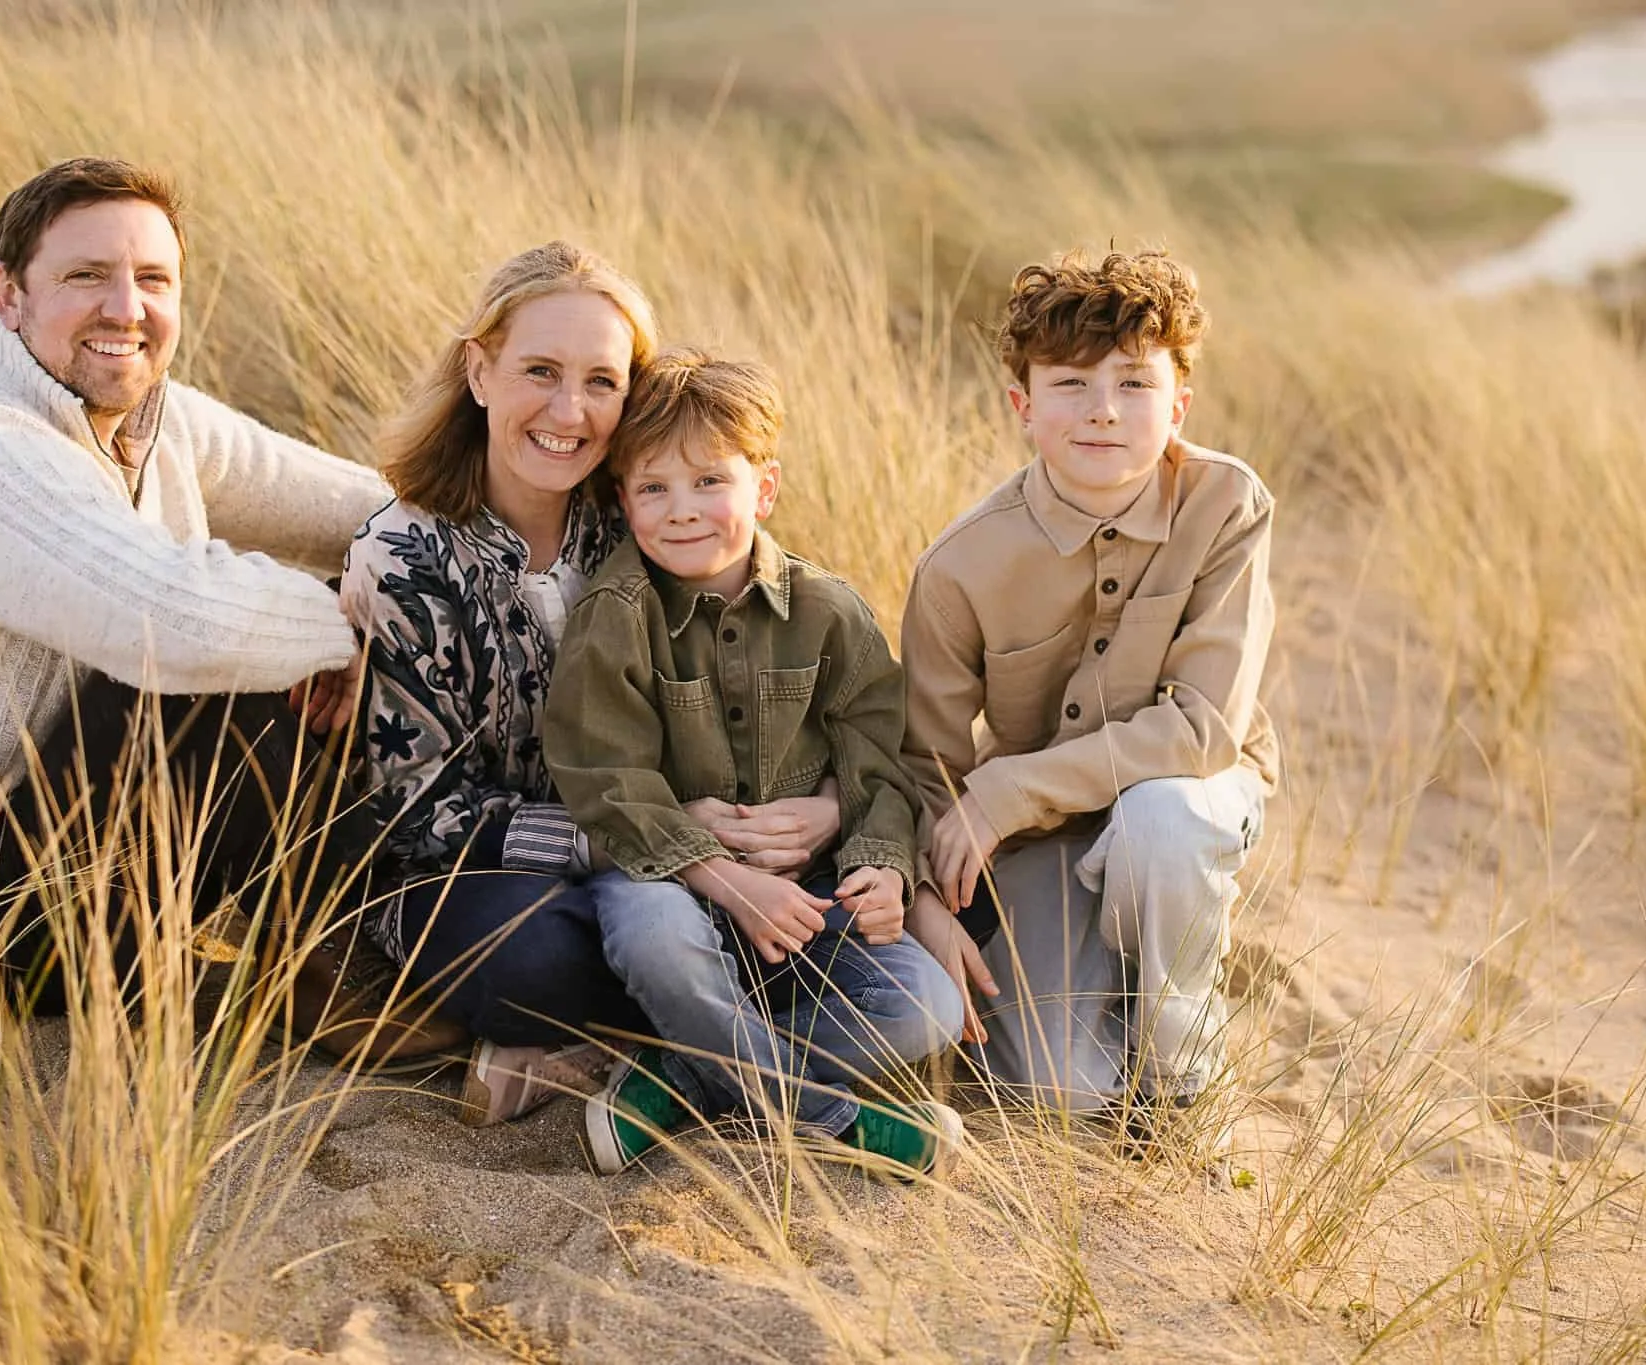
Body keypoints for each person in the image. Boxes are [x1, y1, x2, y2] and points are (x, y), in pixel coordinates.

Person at [0, 158, 389, 1020]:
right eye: (86, 276)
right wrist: (345, 629)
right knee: (215, 659)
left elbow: (369, 511)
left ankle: (413, 921)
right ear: (8, 295)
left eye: (153, 280)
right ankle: (332, 979)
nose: (126, 309)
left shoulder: (158, 415)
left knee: (356, 601)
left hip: (98, 863)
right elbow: (175, 620)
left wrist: (537, 538)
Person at [341, 245, 847, 1125]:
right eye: (540, 370)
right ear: (480, 369)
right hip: (481, 878)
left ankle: (636, 1060)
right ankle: (682, 1043)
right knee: (531, 960)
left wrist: (824, 801)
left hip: (679, 857)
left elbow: (775, 654)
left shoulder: (647, 509)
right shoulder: (404, 557)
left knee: (828, 916)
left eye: (601, 383)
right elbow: (414, 813)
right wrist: (633, 841)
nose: (568, 412)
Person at [544, 349, 965, 1177]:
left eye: (710, 482)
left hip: (807, 895)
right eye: (654, 488)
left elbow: (879, 760)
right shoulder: (615, 615)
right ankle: (835, 1120)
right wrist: (729, 878)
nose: (682, 510)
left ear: (762, 488)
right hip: (668, 888)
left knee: (928, 1005)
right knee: (660, 944)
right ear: (624, 499)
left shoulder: (828, 612)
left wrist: (879, 863)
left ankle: (685, 1080)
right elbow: (608, 784)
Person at [898, 249, 1278, 1138]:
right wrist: (925, 897)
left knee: (1161, 823)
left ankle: (1183, 1088)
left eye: (1134, 383)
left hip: (1198, 792)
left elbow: (1205, 727)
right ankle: (1109, 989)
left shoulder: (1228, 503)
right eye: (1070, 384)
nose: (1103, 410)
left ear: (1178, 404)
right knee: (1058, 1088)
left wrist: (1010, 787)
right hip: (1046, 834)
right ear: (1022, 406)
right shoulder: (960, 567)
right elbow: (927, 769)